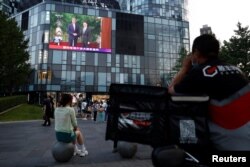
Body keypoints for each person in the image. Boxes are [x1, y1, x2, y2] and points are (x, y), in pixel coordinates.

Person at [168, 34, 250, 151]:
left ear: (196, 53)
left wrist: (185, 67)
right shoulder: (237, 70)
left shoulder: (200, 72)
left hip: (231, 137)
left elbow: (171, 89)